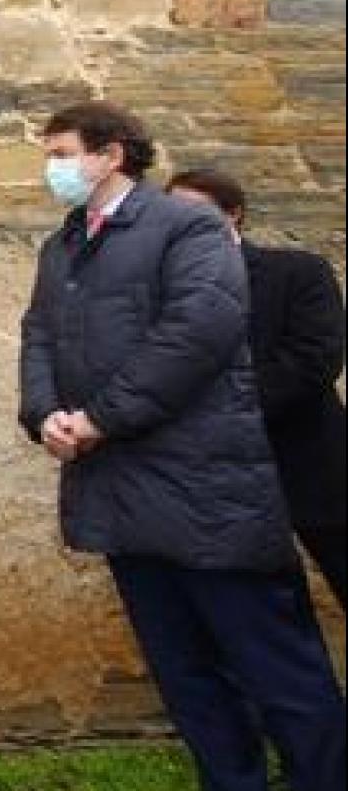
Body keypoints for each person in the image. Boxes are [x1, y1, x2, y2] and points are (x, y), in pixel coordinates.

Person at [20, 100, 344, 791]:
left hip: (206, 496)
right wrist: (44, 415)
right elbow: (39, 336)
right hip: (121, 498)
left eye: (62, 152)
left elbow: (197, 333)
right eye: (49, 155)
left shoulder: (188, 229)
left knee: (277, 674)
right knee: (189, 681)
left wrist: (102, 418)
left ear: (110, 155)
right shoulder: (64, 246)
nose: (54, 169)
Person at [166, 167, 346, 610]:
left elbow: (313, 360)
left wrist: (223, 412)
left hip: (309, 462)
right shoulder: (163, 291)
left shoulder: (297, 273)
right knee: (250, 610)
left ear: (234, 215)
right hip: (217, 478)